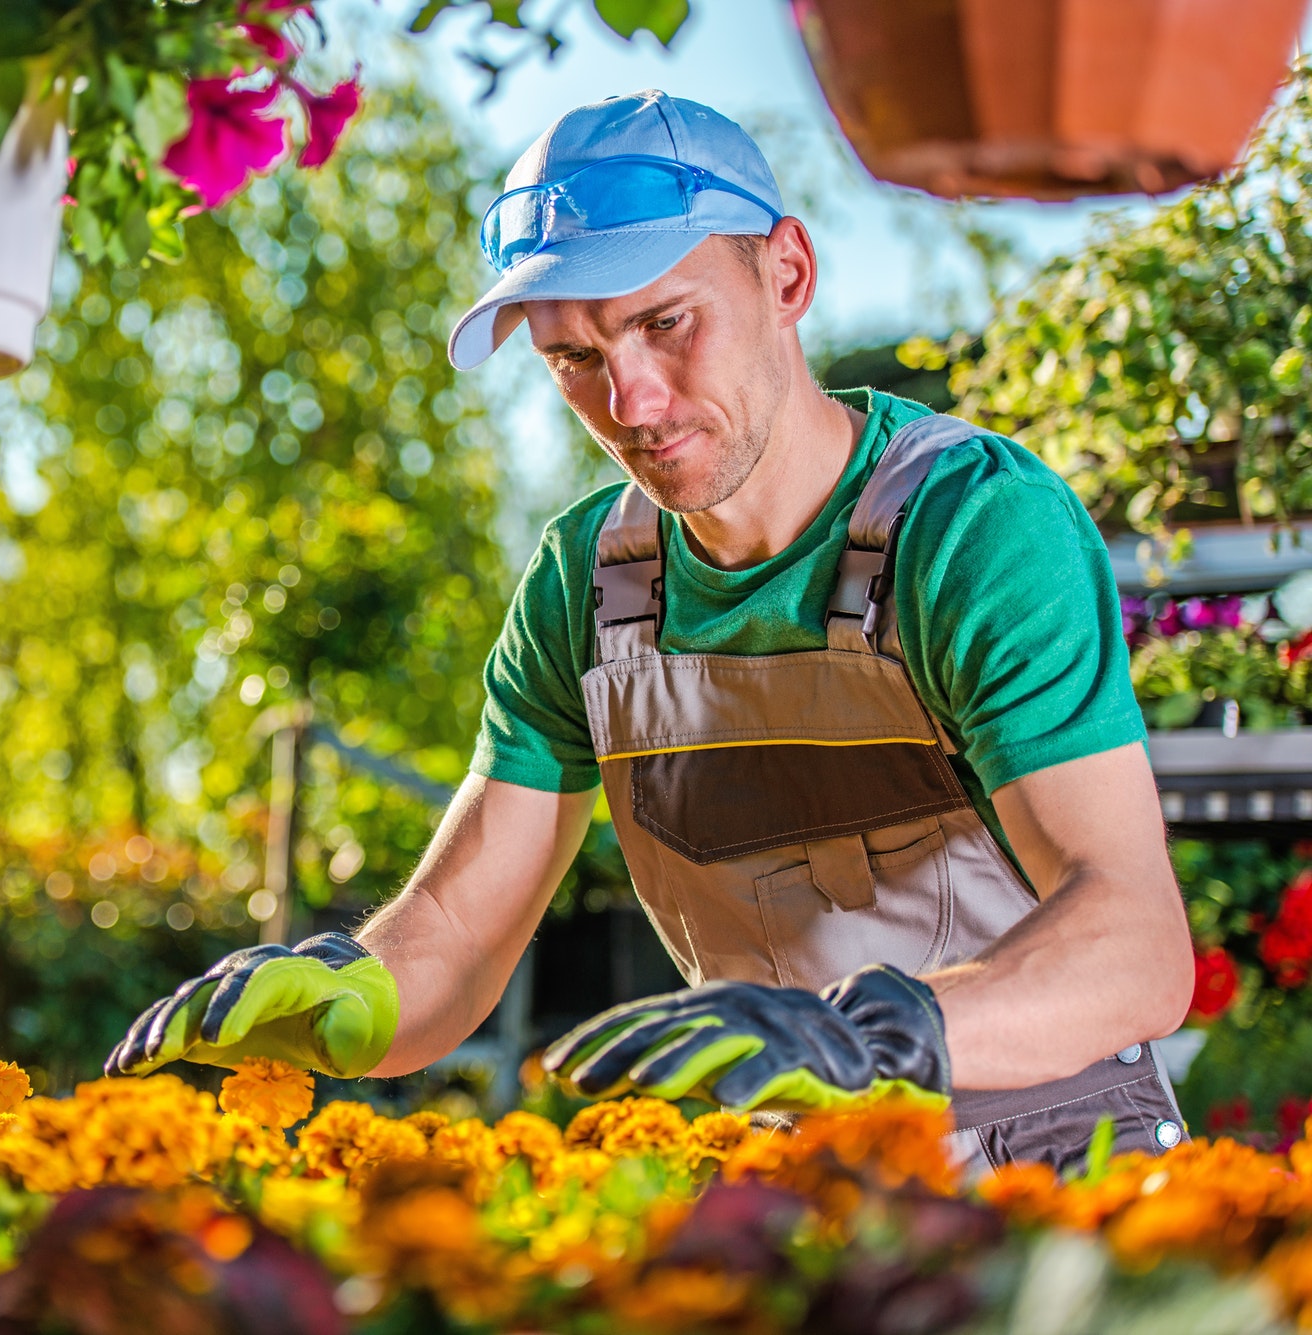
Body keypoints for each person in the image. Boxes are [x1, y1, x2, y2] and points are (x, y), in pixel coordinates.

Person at [106, 91, 1193, 1170]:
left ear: (786, 276)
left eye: (662, 323)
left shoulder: (967, 527)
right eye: (572, 358)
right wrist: (356, 988)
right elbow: (460, 935)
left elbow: (1135, 948)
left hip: (1060, 1162)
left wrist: (874, 1037)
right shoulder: (585, 586)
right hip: (792, 1180)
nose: (629, 402)